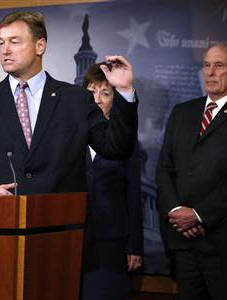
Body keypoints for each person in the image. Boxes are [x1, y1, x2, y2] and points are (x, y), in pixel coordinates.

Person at [0, 11, 138, 195]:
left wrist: (124, 90)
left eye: (14, 41)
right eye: (1, 42)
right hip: (3, 218)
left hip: (62, 220)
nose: (5, 50)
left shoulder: (76, 99)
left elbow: (116, 147)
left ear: (40, 46)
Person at [156, 43, 227, 300]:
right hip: (184, 243)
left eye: (219, 65)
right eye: (206, 65)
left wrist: (199, 216)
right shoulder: (182, 112)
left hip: (226, 246)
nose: (210, 72)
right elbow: (165, 169)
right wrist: (177, 212)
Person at [81, 63, 143, 299]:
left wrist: (135, 245)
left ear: (115, 99)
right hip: (76, 240)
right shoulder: (70, 135)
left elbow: (133, 191)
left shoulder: (125, 139)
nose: (96, 99)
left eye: (105, 93)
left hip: (112, 242)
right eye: (91, 91)